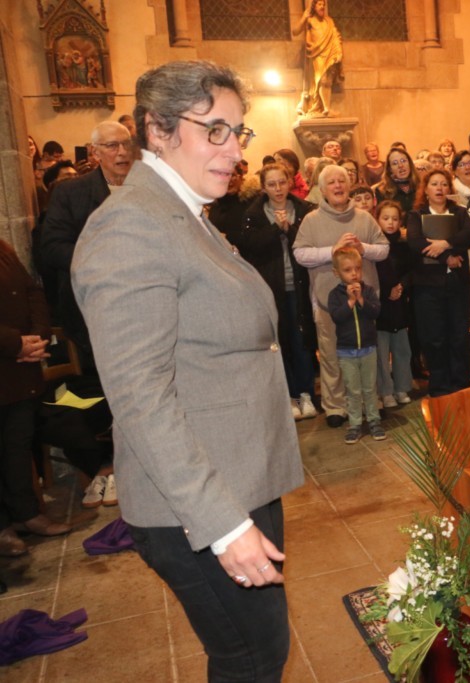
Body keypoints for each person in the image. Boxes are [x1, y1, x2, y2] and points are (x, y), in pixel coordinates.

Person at [70, 60, 304, 681]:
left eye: (239, 131)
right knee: (251, 657)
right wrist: (223, 526)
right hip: (197, 505)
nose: (235, 150)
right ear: (159, 129)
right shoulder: (131, 226)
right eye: (215, 130)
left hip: (238, 474)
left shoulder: (186, 211)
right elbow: (140, 398)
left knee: (258, 652)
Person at [294, 165, 389, 427]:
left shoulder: (364, 218)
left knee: (367, 354)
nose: (338, 186)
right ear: (322, 190)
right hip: (328, 302)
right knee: (331, 355)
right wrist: (332, 251)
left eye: (342, 181)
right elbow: (299, 254)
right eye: (332, 183)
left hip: (364, 301)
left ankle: (369, 403)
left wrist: (363, 248)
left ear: (349, 186)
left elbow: (384, 248)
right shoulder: (311, 220)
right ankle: (336, 406)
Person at [40, 120, 133, 377]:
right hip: (94, 313)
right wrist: (103, 262)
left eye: (127, 145)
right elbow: (52, 247)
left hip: (146, 312)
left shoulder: (150, 189)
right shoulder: (71, 193)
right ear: (95, 152)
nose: (122, 152)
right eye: (112, 146)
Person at [1, 239, 70, 560]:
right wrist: (15, 343)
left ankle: (26, 514)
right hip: (9, 355)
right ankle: (2, 528)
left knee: (17, 445)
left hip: (18, 370)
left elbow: (31, 290)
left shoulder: (3, 248)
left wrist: (39, 335)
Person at [237, 163, 318, 421]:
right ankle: (289, 396)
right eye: (271, 184)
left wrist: (289, 230)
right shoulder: (253, 214)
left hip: (301, 285)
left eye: (282, 182)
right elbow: (250, 247)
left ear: (290, 182)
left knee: (302, 341)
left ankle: (306, 393)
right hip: (272, 288)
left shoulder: (304, 210)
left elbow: (310, 243)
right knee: (280, 341)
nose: (278, 188)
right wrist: (275, 229)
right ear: (263, 187)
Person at [405, 169, 470, 396]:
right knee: (433, 337)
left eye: (444, 184)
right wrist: (447, 257)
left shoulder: (459, 212)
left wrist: (445, 244)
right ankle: (440, 387)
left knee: (458, 335)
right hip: (427, 287)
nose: (439, 188)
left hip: (457, 284)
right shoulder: (416, 215)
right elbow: (415, 242)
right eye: (434, 184)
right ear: (425, 189)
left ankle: (461, 384)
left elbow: (469, 236)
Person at [328, 247, 385, 444]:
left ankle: (374, 421)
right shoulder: (335, 295)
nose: (354, 274)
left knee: (369, 388)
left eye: (357, 269)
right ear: (337, 272)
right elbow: (337, 317)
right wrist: (350, 302)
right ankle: (355, 424)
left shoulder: (368, 291)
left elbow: (375, 312)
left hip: (368, 348)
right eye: (347, 270)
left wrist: (360, 299)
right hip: (346, 351)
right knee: (353, 390)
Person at [373, 201, 414, 407]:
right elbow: (372, 273)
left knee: (401, 348)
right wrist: (387, 290)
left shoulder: (404, 245)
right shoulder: (373, 245)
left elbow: (411, 270)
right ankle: (385, 391)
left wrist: (401, 287)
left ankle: (402, 387)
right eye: (385, 218)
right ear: (377, 220)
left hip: (400, 302)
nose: (390, 223)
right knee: (382, 350)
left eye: (395, 219)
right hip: (381, 303)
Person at [293, 0, 343, 118]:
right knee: (321, 79)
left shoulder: (329, 21)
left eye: (323, 5)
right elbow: (295, 31)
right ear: (314, 6)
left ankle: (326, 108)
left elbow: (336, 36)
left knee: (328, 81)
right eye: (319, 4)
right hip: (316, 54)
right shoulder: (309, 20)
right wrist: (303, 18)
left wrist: (339, 52)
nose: (322, 7)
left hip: (329, 53)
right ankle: (321, 107)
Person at [374, 147, 418, 214]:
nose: (400, 165)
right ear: (390, 169)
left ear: (410, 163)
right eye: (395, 163)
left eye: (403, 161)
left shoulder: (422, 186)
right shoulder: (382, 191)